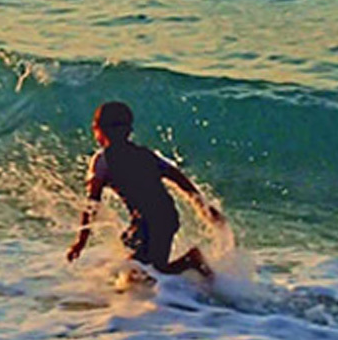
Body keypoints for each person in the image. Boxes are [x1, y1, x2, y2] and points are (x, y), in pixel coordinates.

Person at [64, 100, 222, 277]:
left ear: (97, 129)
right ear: (129, 130)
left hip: (150, 221)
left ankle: (192, 261)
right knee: (141, 268)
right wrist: (203, 207)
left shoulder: (102, 161)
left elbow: (91, 204)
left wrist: (80, 242)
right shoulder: (146, 154)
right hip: (164, 215)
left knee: (150, 273)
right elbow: (178, 178)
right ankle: (186, 279)